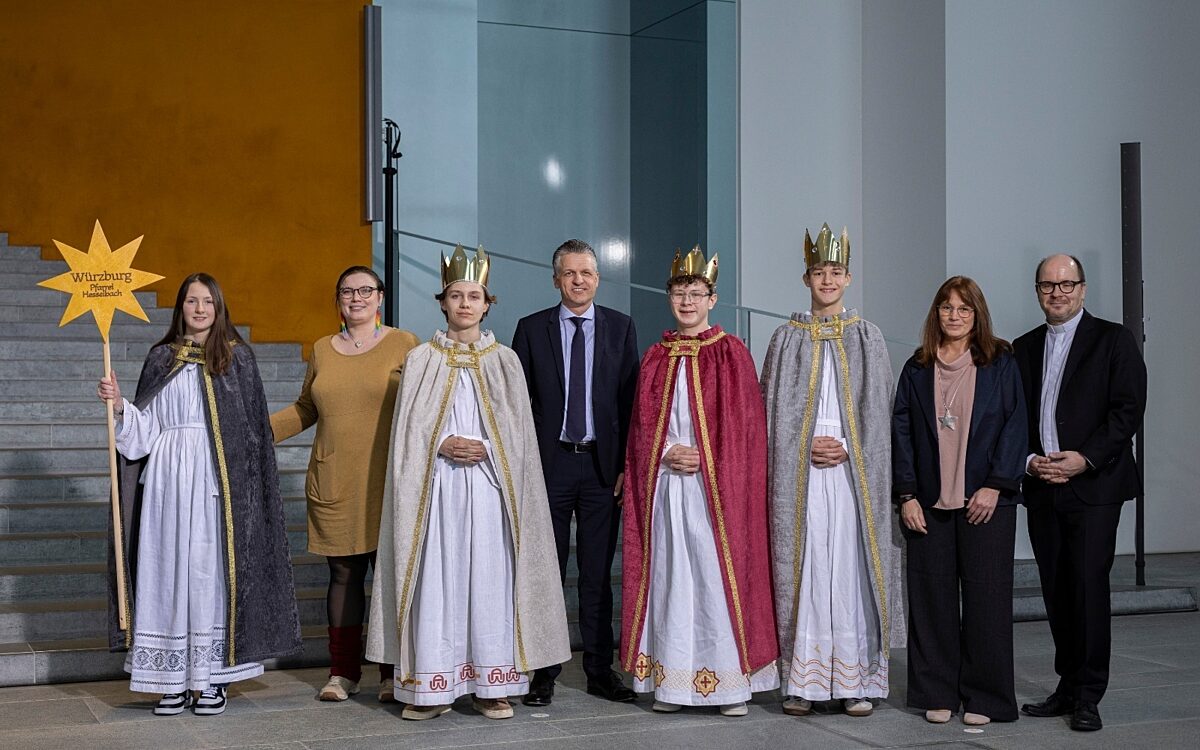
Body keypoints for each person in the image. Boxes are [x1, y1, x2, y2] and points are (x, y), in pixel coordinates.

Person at [366, 245, 571, 721]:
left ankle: (491, 685)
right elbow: (408, 437)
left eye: (473, 296)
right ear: (443, 302)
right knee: (437, 580)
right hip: (435, 494)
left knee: (490, 582)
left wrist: (490, 448)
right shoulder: (420, 361)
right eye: (456, 295)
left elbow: (520, 438)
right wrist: (441, 442)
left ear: (486, 303)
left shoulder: (505, 362)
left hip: (490, 492)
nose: (464, 304)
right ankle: (433, 687)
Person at [97, 273, 302, 717]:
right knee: (167, 570)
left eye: (208, 301)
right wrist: (119, 406)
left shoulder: (237, 359)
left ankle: (209, 680)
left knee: (208, 573)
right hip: (167, 485)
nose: (200, 309)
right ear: (180, 308)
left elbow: (251, 435)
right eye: (192, 301)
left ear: (219, 306)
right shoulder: (159, 358)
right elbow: (143, 435)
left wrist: (239, 485)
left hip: (216, 486)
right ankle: (170, 680)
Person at [620, 246, 779, 716]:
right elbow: (641, 429)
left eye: (696, 292)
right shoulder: (655, 356)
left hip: (717, 493)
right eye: (679, 292)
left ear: (713, 298)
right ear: (669, 297)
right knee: (671, 579)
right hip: (668, 486)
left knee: (713, 578)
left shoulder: (732, 355)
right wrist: (668, 451)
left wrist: (711, 462)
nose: (687, 301)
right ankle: (673, 683)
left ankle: (727, 687)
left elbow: (747, 433)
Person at [760, 224, 903, 718]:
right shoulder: (784, 339)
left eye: (836, 271)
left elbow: (881, 413)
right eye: (819, 271)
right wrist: (801, 447)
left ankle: (855, 680)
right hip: (799, 475)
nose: (827, 280)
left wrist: (848, 447)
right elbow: (770, 411)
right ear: (806, 277)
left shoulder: (868, 336)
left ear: (848, 278)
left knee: (849, 566)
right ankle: (802, 680)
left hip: (849, 476)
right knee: (805, 567)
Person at [270, 266, 419, 702]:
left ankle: (392, 673)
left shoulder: (405, 344)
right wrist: (255, 429)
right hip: (334, 478)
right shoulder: (322, 348)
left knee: (390, 575)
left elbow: (426, 403)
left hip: (389, 478)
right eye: (347, 291)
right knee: (344, 575)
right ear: (338, 300)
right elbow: (304, 407)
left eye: (365, 290)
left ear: (380, 296)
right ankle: (342, 673)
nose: (356, 297)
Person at [1013, 254, 1147, 732]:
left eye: (1067, 284)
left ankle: (1089, 695)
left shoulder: (1113, 340)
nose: (1058, 293)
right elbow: (1014, 417)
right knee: (1056, 589)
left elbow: (1127, 410)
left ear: (1083, 289)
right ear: (1037, 291)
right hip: (1043, 484)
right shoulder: (1023, 348)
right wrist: (1030, 460)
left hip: (1093, 485)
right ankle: (1067, 686)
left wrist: (1083, 458)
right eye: (1048, 285)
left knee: (1088, 589)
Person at [892, 276, 1027, 726]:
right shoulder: (916, 366)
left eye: (964, 309)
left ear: (977, 315)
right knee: (931, 601)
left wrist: (997, 485)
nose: (954, 316)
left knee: (987, 601)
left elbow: (1015, 424)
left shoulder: (999, 360)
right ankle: (938, 692)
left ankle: (986, 698)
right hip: (929, 503)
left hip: (985, 501)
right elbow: (902, 434)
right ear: (936, 314)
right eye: (946, 308)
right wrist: (906, 495)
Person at [511, 239, 640, 706]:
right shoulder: (530, 329)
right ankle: (541, 671)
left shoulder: (621, 328)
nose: (578, 280)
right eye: (569, 273)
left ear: (598, 278)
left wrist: (628, 464)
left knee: (595, 574)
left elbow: (631, 407)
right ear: (555, 279)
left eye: (586, 272)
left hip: (603, 470)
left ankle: (599, 672)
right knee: (544, 571)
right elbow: (514, 406)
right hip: (550, 465)